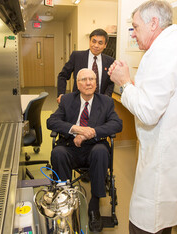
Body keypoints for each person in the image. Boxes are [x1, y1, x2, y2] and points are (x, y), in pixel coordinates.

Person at [108, 1, 177, 233]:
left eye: (135, 27)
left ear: (153, 23)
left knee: (146, 223)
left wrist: (124, 82)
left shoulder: (163, 50)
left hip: (163, 158)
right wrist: (135, 86)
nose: (133, 34)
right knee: (164, 223)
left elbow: (148, 112)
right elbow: (167, 98)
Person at [47, 68, 122, 232]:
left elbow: (117, 124)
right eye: (83, 80)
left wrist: (92, 133)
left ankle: (94, 207)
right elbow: (51, 122)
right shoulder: (67, 100)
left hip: (95, 147)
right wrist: (76, 129)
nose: (88, 83)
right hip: (70, 148)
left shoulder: (106, 102)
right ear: (77, 84)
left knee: (101, 151)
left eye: (91, 79)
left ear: (96, 83)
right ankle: (65, 202)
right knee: (57, 153)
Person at [57, 28, 115, 104]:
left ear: (105, 45)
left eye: (100, 43)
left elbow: (110, 82)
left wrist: (106, 97)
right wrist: (61, 94)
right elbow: (62, 76)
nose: (96, 45)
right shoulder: (77, 56)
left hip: (100, 103)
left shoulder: (110, 61)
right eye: (93, 41)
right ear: (89, 41)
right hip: (78, 102)